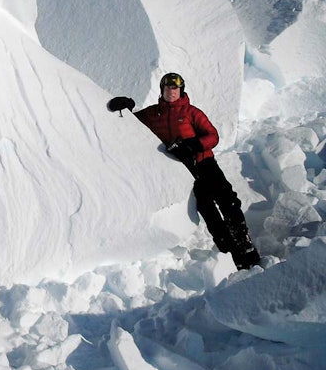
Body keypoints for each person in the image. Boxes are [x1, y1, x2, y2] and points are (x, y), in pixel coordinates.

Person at [108, 73, 261, 270]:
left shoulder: (191, 112)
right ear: (162, 90)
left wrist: (193, 145)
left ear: (181, 91)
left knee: (227, 200)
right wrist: (127, 106)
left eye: (175, 89)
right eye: (167, 88)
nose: (171, 92)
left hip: (205, 164)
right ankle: (230, 252)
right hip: (186, 172)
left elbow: (213, 136)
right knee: (208, 210)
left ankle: (244, 245)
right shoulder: (153, 114)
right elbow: (133, 123)